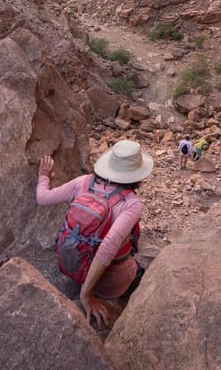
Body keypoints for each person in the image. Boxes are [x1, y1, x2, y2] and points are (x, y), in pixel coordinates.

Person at [36, 139, 153, 327]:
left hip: (73, 267)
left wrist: (44, 177)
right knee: (140, 272)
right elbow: (108, 247)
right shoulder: (132, 203)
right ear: (137, 174)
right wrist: (86, 295)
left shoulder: (83, 182)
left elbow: (42, 198)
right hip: (109, 286)